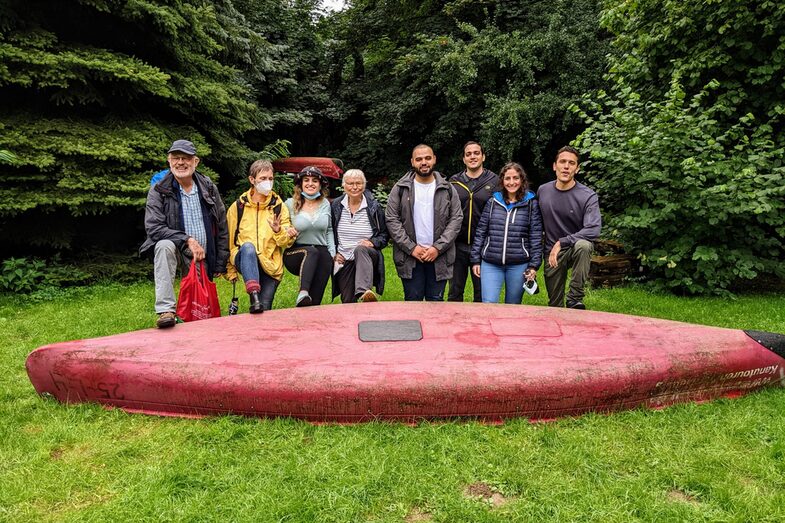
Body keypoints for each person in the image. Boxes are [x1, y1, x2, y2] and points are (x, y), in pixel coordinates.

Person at [140, 139, 229, 329]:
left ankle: (189, 325)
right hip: (177, 249)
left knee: (201, 312)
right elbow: (154, 227)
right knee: (163, 246)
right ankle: (166, 310)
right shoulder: (159, 190)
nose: (181, 162)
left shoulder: (208, 187)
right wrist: (187, 240)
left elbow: (221, 225)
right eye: (176, 158)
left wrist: (221, 262)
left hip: (202, 254)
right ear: (169, 160)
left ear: (195, 162)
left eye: (186, 158)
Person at [386, 144, 463, 301]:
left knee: (436, 304)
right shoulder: (400, 188)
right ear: (412, 162)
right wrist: (411, 248)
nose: (424, 162)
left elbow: (456, 219)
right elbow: (392, 219)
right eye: (419, 159)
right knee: (413, 303)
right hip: (410, 257)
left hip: (439, 257)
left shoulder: (447, 188)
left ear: (434, 159)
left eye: (428, 158)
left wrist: (437, 248)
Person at [225, 160, 295, 313]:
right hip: (244, 257)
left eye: (270, 179)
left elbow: (285, 243)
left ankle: (259, 325)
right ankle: (253, 294)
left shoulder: (278, 206)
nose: (267, 182)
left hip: (270, 264)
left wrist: (278, 231)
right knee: (248, 248)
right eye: (263, 178)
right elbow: (229, 240)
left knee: (264, 310)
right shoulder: (238, 206)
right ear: (252, 180)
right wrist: (230, 270)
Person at [537, 145, 601, 309]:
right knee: (555, 305)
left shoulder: (587, 195)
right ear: (554, 166)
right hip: (551, 253)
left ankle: (574, 298)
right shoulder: (543, 191)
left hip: (573, 247)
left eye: (571, 163)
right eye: (562, 162)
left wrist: (562, 242)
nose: (566, 166)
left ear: (577, 168)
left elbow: (593, 229)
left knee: (584, 245)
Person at [470, 162, 542, 304]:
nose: (511, 182)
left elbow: (535, 236)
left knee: (513, 305)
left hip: (519, 264)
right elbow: (481, 232)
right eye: (507, 178)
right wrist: (475, 260)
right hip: (491, 262)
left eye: (515, 178)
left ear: (522, 180)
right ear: (502, 181)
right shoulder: (493, 202)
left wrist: (533, 265)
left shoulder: (531, 204)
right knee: (488, 303)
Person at [447, 141, 499, 302]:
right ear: (464, 159)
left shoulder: (495, 181)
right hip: (457, 245)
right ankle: (453, 326)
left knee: (482, 294)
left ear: (483, 156)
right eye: (468, 154)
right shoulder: (454, 182)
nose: (472, 156)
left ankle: (481, 327)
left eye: (476, 153)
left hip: (484, 246)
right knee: (455, 293)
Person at [330, 169, 389, 303]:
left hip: (368, 255)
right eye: (350, 183)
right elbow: (329, 231)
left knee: (360, 249)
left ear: (364, 184)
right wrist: (334, 252)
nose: (355, 187)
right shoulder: (336, 206)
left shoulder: (373, 206)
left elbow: (384, 235)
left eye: (359, 183)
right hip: (345, 259)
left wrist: (373, 242)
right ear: (344, 185)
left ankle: (364, 291)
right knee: (348, 301)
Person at [283, 166, 335, 307]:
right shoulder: (289, 204)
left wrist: (333, 253)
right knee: (311, 251)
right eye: (306, 180)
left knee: (324, 257)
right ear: (300, 184)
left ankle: (308, 311)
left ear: (320, 185)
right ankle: (303, 292)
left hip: (321, 252)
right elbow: (282, 226)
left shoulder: (325, 204)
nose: (310, 183)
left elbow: (329, 230)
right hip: (296, 252)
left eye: (315, 181)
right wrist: (287, 230)